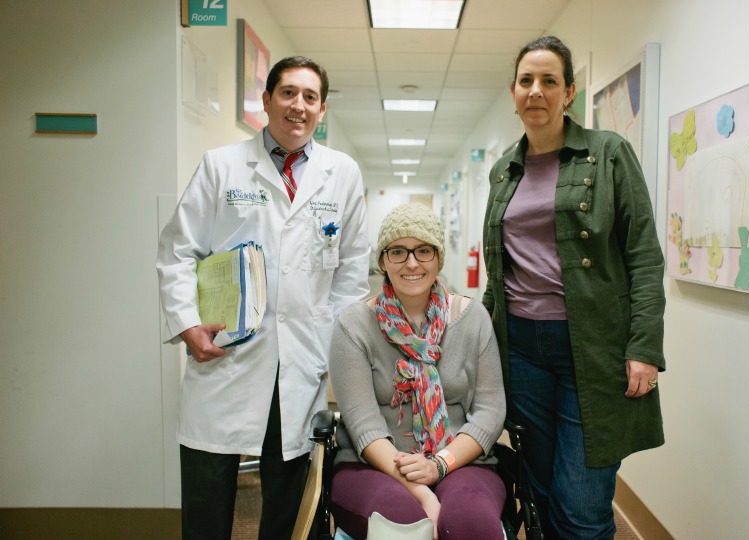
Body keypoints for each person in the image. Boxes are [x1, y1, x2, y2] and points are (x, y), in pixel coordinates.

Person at [156, 55, 369, 540]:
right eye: (288, 93)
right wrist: (187, 325)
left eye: (310, 97)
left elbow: (352, 273)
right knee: (208, 498)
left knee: (291, 504)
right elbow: (177, 252)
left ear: (322, 110)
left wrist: (332, 349)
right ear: (267, 100)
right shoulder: (222, 166)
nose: (299, 106)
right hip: (224, 355)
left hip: (303, 362)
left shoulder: (342, 173)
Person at [482, 36, 666, 539]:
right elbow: (499, 275)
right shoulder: (504, 170)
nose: (535, 91)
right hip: (520, 349)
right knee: (537, 490)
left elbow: (644, 257)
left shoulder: (608, 154)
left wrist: (645, 347)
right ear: (513, 91)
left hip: (593, 349)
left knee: (581, 504)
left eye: (549, 81)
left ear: (569, 93)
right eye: (526, 81)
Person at [328, 203, 507, 540]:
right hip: (371, 466)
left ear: (439, 258)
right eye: (398, 251)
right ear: (382, 261)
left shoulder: (473, 319)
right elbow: (364, 426)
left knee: (470, 525)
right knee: (404, 528)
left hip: (459, 461)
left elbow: (490, 410)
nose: (412, 263)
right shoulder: (352, 327)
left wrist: (439, 465)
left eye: (423, 251)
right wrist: (422, 491)